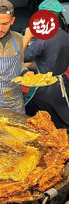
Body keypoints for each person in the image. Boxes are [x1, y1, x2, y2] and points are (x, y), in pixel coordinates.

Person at [23, 0, 69, 133]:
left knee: (30, 121)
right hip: (62, 85)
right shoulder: (64, 35)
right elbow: (53, 58)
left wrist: (27, 36)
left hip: (44, 88)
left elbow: (22, 56)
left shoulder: (45, 36)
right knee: (61, 123)